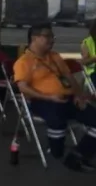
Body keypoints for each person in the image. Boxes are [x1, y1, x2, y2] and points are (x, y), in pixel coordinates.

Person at [15, 22, 96, 172]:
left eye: (53, 36)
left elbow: (70, 77)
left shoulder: (55, 57)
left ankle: (78, 155)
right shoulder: (24, 62)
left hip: (68, 99)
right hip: (43, 102)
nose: (52, 40)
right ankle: (58, 154)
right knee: (57, 120)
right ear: (34, 38)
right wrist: (49, 98)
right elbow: (23, 88)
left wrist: (78, 95)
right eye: (48, 36)